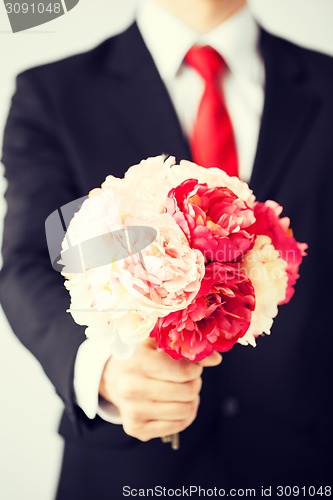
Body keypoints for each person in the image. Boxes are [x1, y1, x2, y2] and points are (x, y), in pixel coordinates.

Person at [1, 0, 333, 498]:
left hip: (306, 462)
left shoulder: (325, 84)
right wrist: (103, 370)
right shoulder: (55, 92)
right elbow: (29, 260)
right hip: (126, 473)